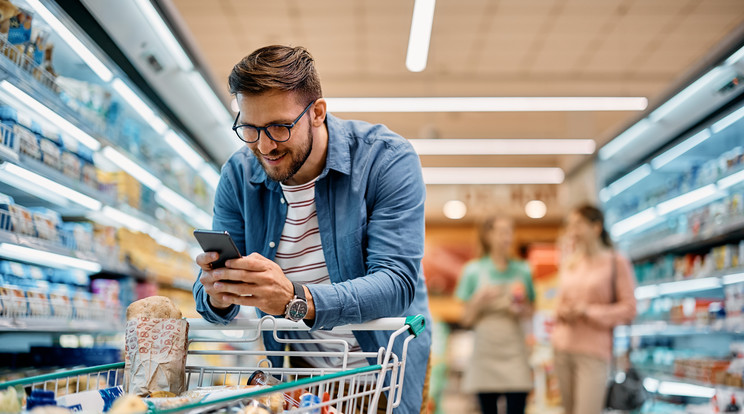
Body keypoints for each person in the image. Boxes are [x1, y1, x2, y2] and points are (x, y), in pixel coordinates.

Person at [191, 45, 432, 414]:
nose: (265, 145)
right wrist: (218, 292)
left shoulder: (386, 159)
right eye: (250, 129)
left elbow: (397, 283)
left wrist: (294, 299)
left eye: (279, 127)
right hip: (302, 380)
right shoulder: (239, 175)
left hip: (382, 372)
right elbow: (208, 295)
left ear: (317, 112)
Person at [552, 205, 637, 414]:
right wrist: (564, 311)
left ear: (596, 227)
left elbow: (629, 309)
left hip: (593, 351)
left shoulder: (616, 262)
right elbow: (559, 302)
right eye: (570, 226)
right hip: (563, 347)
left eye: (578, 225)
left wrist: (588, 311)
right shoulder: (571, 263)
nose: (573, 232)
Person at [455, 216, 535, 414]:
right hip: (486, 352)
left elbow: (532, 311)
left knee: (517, 406)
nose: (506, 237)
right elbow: (465, 318)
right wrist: (478, 301)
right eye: (501, 232)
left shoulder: (523, 270)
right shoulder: (473, 271)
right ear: (488, 235)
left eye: (509, 232)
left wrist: (521, 309)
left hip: (515, 350)